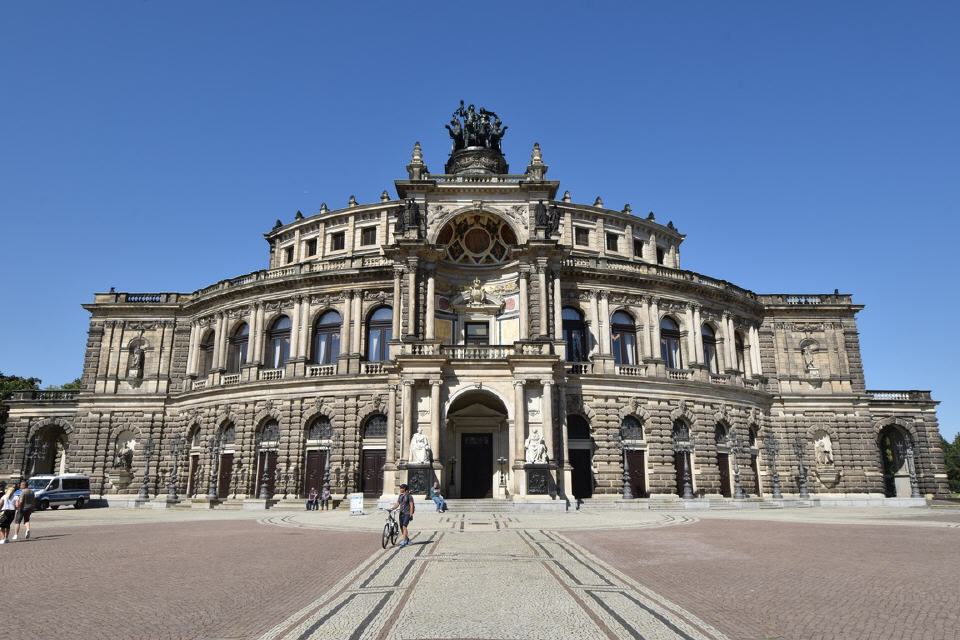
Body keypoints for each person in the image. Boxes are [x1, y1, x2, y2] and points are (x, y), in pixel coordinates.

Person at [389, 483, 415, 548]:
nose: (400, 489)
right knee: (401, 527)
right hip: (401, 514)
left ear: (405, 489)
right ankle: (407, 539)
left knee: (404, 526)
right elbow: (397, 504)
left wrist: (411, 514)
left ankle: (404, 541)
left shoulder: (409, 496)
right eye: (400, 488)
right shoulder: (400, 496)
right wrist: (392, 508)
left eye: (402, 488)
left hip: (407, 513)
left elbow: (411, 506)